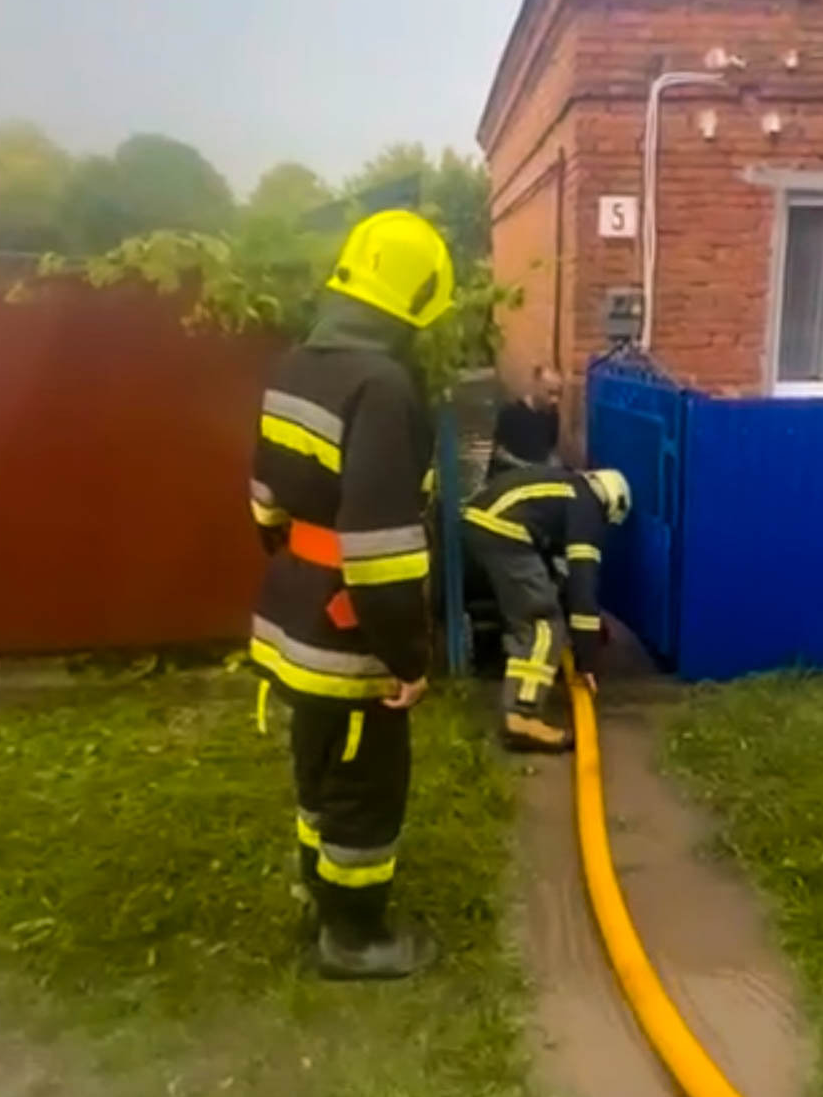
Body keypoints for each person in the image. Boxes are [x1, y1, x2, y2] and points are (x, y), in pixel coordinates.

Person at [248, 209, 454, 981]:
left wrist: (300, 563)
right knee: (367, 777)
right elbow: (380, 548)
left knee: (318, 757)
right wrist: (407, 654)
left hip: (295, 606)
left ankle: (319, 892)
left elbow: (264, 498)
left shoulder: (295, 362)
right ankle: (356, 935)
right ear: (415, 298)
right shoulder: (383, 384)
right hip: (351, 627)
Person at [463, 466, 631, 751]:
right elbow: (583, 581)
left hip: (486, 523)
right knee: (543, 623)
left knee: (531, 610)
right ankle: (521, 715)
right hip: (505, 530)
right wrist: (586, 659)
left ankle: (516, 695)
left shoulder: (567, 488)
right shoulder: (587, 507)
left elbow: (559, 574)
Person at [487, 364, 563, 477]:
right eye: (550, 393)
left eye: (558, 394)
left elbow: (550, 450)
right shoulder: (510, 414)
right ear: (536, 386)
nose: (555, 400)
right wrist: (528, 467)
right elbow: (499, 455)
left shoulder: (552, 416)